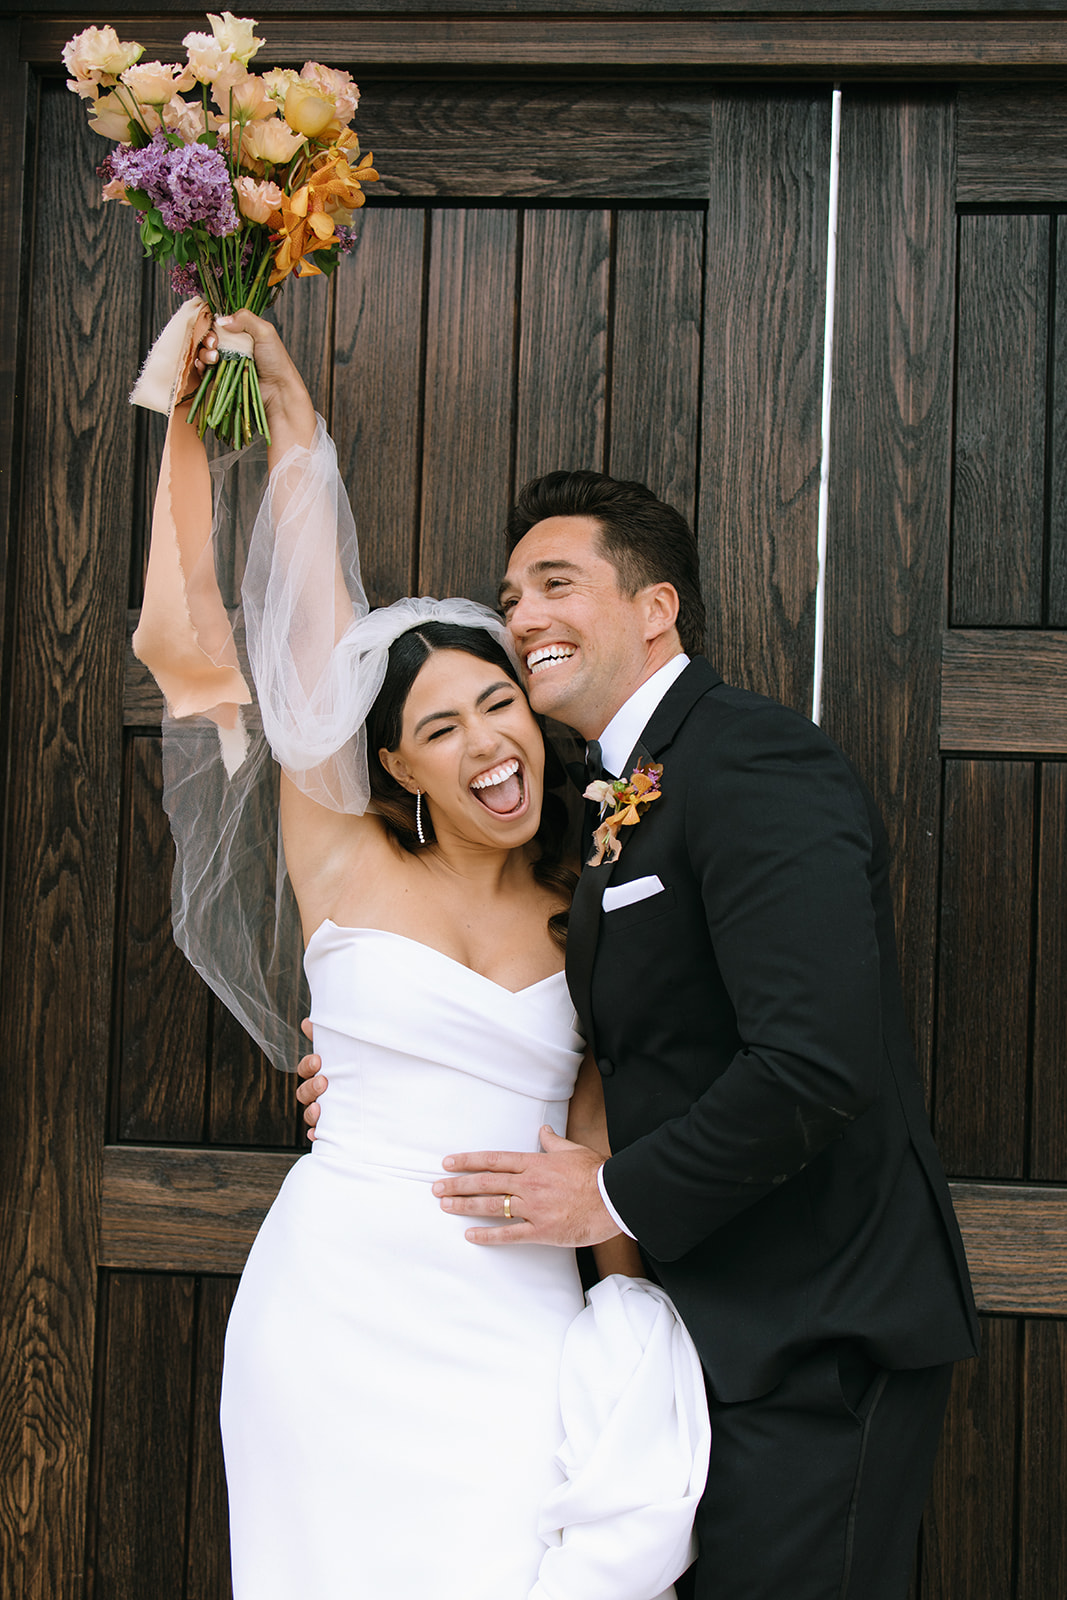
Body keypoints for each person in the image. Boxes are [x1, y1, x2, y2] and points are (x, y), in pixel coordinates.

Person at [300, 469, 980, 1598]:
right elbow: (617, 1037)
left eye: (554, 582)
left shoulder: (756, 763)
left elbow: (813, 1065)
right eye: (511, 595)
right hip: (700, 1335)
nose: (521, 617)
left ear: (654, 606)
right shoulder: (610, 796)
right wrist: (382, 1068)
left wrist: (607, 1198)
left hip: (815, 1334)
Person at [142, 313, 709, 1600]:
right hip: (334, 1294)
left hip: (508, 1304)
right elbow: (306, 642)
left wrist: (620, 1300)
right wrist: (293, 423)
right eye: (438, 728)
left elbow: (596, 1109)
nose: (484, 744)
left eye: (498, 702)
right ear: (391, 763)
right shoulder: (343, 862)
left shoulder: (591, 891)